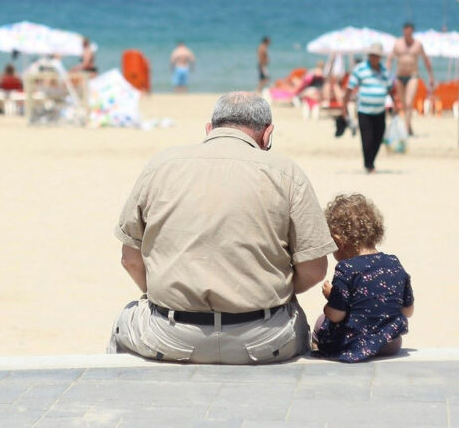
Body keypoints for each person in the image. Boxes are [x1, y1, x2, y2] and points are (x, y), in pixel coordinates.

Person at [108, 92, 336, 365]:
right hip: (264, 338)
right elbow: (314, 269)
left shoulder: (161, 165)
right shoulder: (287, 173)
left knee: (124, 321)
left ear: (209, 129)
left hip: (170, 335)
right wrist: (274, 291)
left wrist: (166, 294)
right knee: (300, 324)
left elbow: (130, 259)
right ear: (267, 134)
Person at [312, 194, 413, 363]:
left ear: (338, 241)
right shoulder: (394, 263)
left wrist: (332, 298)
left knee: (321, 322)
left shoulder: (346, 268)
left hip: (356, 342)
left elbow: (336, 315)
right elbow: (407, 311)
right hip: (391, 343)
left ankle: (318, 348)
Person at [342, 44, 391, 173]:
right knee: (367, 139)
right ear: (369, 56)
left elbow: (391, 89)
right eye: (372, 55)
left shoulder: (384, 71)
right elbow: (349, 88)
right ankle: (369, 165)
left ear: (380, 57)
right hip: (364, 111)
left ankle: (370, 162)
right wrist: (344, 107)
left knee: (378, 138)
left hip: (380, 111)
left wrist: (396, 104)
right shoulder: (360, 69)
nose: (374, 58)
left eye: (376, 56)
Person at [386, 23, 435, 135]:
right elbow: (389, 59)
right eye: (405, 32)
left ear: (412, 32)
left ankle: (406, 128)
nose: (407, 34)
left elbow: (426, 60)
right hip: (399, 76)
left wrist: (431, 76)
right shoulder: (398, 44)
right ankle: (409, 126)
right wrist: (387, 74)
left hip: (413, 76)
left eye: (409, 32)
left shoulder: (418, 45)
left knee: (409, 102)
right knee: (403, 104)